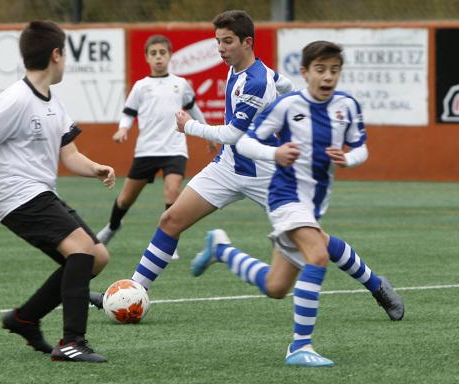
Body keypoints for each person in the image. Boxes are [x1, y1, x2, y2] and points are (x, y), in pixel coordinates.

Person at [191, 41, 404, 367]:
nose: (327, 76)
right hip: (284, 196)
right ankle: (300, 347)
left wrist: (349, 158)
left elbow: (361, 148)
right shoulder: (287, 105)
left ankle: (222, 250)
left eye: (334, 70)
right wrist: (274, 153)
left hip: (314, 203)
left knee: (276, 287)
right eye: (320, 70)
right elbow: (246, 142)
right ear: (305, 73)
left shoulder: (347, 106)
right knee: (317, 254)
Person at [0, 20, 114, 363]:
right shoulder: (17, 99)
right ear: (56, 55)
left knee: (96, 257)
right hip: (16, 195)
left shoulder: (53, 102)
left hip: (38, 193)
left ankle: (25, 318)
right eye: (66, 55)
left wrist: (96, 168)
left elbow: (70, 155)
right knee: (81, 251)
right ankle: (72, 342)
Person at [116, 10, 293, 293]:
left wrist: (190, 127)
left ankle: (375, 285)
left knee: (310, 243)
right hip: (227, 168)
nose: (220, 49)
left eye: (227, 42)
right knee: (170, 220)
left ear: (247, 42)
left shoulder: (257, 81)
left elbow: (232, 134)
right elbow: (286, 85)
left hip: (264, 175)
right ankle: (134, 292)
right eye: (218, 42)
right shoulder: (241, 67)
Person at [96, 35, 208, 261]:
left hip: (174, 149)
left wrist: (208, 133)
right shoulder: (141, 86)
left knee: (172, 190)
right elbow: (129, 113)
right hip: (146, 151)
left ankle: (169, 240)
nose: (158, 57)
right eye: (154, 53)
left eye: (162, 53)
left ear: (169, 56)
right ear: (147, 57)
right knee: (126, 199)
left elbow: (193, 109)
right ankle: (112, 227)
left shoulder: (181, 84)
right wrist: (123, 128)